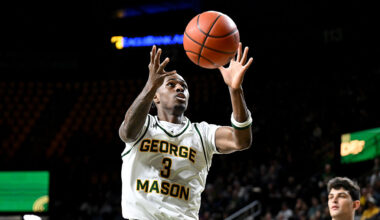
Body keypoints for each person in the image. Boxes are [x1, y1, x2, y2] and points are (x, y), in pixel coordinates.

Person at [118, 43, 254, 219]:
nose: (180, 88)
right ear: (156, 97)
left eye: (184, 86)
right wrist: (150, 86)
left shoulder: (201, 134)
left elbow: (241, 141)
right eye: (171, 84)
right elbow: (127, 133)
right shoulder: (144, 126)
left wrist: (235, 90)